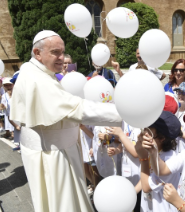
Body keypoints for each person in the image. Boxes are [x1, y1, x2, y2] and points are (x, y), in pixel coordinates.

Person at [10, 30, 122, 212]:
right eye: (55, 52)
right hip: (53, 157)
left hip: (58, 152)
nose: (62, 58)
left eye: (62, 52)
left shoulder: (36, 71)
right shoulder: (36, 78)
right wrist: (124, 113)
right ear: (37, 53)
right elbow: (76, 109)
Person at [136, 111, 181, 212]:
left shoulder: (169, 160)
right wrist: (133, 192)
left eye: (147, 132)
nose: (142, 134)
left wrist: (143, 159)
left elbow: (146, 187)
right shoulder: (153, 151)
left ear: (161, 138)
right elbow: (147, 177)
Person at [107, 122, 142, 212]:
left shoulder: (142, 125)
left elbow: (136, 153)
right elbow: (124, 144)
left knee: (137, 203)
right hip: (126, 173)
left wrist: (120, 134)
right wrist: (116, 150)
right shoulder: (126, 123)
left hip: (139, 176)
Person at [79, 124, 102, 196]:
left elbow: (94, 135)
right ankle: (95, 186)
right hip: (82, 148)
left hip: (89, 147)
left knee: (93, 172)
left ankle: (97, 192)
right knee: (85, 171)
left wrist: (92, 147)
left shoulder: (89, 119)